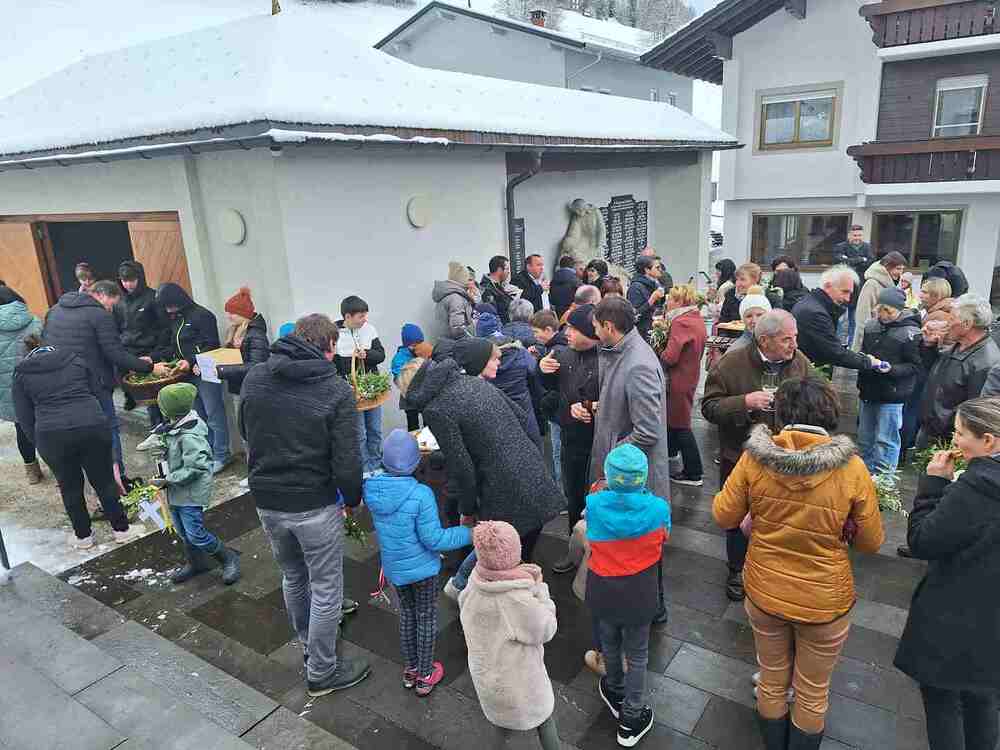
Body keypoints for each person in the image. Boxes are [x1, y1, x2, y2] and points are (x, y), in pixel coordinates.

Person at [713, 377, 885, 750]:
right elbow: (871, 542)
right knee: (812, 691)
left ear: (781, 413)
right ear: (830, 413)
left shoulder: (754, 459)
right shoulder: (853, 468)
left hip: (765, 591)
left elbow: (723, 515)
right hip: (825, 601)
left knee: (772, 680)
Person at [239, 314, 370, 697]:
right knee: (327, 587)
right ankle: (322, 671)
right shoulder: (335, 390)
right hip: (313, 503)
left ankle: (309, 646)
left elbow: (245, 430)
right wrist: (353, 500)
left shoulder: (255, 376)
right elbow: (347, 459)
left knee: (294, 576)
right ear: (327, 347)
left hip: (267, 498)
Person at [399, 351, 563, 597]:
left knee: (499, 548)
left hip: (502, 486)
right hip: (530, 469)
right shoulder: (474, 381)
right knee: (521, 545)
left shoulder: (436, 409)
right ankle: (521, 593)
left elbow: (462, 467)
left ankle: (483, 594)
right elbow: (520, 416)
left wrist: (467, 509)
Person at [894, 397, 1000, 750]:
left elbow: (923, 541)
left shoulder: (979, 485)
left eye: (961, 433)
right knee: (983, 698)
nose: (955, 441)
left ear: (989, 441)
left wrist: (934, 485)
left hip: (957, 616)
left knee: (942, 700)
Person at [701, 310, 814, 601]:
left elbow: (819, 395)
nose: (794, 344)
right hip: (740, 456)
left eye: (795, 337)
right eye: (787, 339)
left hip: (784, 458)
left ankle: (769, 567)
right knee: (737, 516)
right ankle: (736, 570)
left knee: (778, 517)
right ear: (764, 340)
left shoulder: (799, 361)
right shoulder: (731, 363)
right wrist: (744, 402)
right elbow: (709, 408)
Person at [364, 429, 472, 696]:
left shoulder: (372, 489)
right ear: (415, 463)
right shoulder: (421, 494)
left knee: (407, 615)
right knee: (425, 618)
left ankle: (411, 669)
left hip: (395, 569)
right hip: (423, 571)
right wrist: (469, 532)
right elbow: (434, 539)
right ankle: (425, 675)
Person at [13, 336, 142, 548]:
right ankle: (121, 530)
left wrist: (39, 443)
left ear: (28, 354)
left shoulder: (21, 374)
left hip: (52, 434)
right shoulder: (76, 360)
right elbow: (99, 393)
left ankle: (83, 537)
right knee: (104, 481)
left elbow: (24, 417)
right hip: (91, 425)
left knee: (69, 486)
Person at [590, 295, 670, 623]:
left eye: (596, 328)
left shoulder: (638, 363)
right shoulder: (624, 351)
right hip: (625, 471)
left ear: (610, 326)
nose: (595, 333)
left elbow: (647, 431)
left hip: (633, 476)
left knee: (643, 544)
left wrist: (615, 459)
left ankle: (654, 608)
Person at [587, 444, 671, 748]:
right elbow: (664, 537)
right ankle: (631, 717)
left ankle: (614, 689)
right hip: (639, 595)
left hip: (603, 591)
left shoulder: (594, 503)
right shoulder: (658, 509)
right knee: (637, 655)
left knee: (609, 643)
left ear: (609, 476)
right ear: (643, 478)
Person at [44, 279, 168, 478]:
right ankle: (118, 479)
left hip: (60, 383)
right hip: (93, 384)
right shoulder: (99, 315)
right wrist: (150, 367)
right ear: (101, 295)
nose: (111, 310)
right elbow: (115, 353)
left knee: (80, 432)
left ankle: (95, 477)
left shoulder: (55, 310)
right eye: (111, 305)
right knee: (108, 429)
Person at [459, 521, 561, 750]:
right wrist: (540, 591)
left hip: (489, 682)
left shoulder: (474, 584)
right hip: (522, 686)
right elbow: (547, 628)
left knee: (501, 725)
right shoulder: (517, 600)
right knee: (544, 719)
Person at [149, 383, 241, 585]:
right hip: (176, 491)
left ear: (169, 409)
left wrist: (168, 479)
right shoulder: (174, 427)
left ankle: (228, 558)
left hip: (190, 492)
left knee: (195, 533)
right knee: (183, 532)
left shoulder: (190, 436)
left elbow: (196, 467)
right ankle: (196, 563)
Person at [539, 304, 600, 574]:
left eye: (574, 329)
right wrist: (542, 369)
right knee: (574, 497)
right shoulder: (562, 354)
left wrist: (590, 407)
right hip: (571, 439)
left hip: (601, 443)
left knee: (597, 499)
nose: (567, 333)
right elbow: (550, 393)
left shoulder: (608, 359)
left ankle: (599, 554)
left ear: (591, 332)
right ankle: (574, 551)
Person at [154, 283, 231, 474]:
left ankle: (221, 454)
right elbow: (174, 346)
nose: (168, 310)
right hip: (186, 373)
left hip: (205, 370)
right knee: (198, 417)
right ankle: (207, 453)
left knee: (214, 413)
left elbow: (211, 344)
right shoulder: (176, 319)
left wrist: (190, 360)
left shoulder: (203, 315)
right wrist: (157, 358)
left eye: (170, 305)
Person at [920, 294, 1000, 447]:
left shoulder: (985, 362)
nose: (947, 323)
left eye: (952, 319)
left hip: (949, 441)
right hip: (930, 431)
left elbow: (976, 411)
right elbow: (934, 374)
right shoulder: (958, 345)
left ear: (967, 324)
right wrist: (929, 346)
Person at [856, 288, 922, 473]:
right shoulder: (871, 326)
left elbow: (915, 366)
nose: (883, 315)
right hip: (868, 390)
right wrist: (864, 360)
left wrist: (891, 369)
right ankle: (863, 475)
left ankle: (885, 480)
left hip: (893, 393)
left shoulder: (911, 333)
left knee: (886, 440)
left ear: (900, 310)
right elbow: (863, 351)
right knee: (864, 438)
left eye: (889, 311)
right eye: (880, 310)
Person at [656, 284, 707, 486]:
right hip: (689, 376)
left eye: (670, 298)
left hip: (678, 380)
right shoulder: (696, 318)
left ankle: (694, 473)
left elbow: (671, 356)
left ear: (679, 301)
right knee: (674, 419)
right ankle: (671, 452)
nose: (667, 302)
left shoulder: (681, 322)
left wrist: (657, 352)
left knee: (681, 424)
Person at [792, 266, 882, 374]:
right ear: (827, 286)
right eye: (844, 292)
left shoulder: (811, 304)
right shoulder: (816, 313)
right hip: (808, 373)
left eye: (850, 294)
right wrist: (868, 362)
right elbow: (834, 353)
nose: (847, 299)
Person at [334, 295, 386, 475]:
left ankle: (376, 466)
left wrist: (367, 354)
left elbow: (381, 355)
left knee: (375, 430)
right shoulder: (335, 335)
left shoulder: (369, 329)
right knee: (360, 434)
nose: (365, 319)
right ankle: (364, 469)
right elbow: (334, 366)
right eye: (361, 316)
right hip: (352, 393)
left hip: (372, 390)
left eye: (365, 315)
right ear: (347, 316)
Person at [474, 313, 543, 441]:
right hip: (523, 409)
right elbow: (534, 373)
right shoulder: (519, 351)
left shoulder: (477, 358)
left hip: (495, 414)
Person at [0, 284, 43, 483]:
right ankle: (59, 466)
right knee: (47, 425)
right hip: (39, 385)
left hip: (10, 389)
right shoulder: (35, 321)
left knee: (21, 427)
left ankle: (32, 471)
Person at [115, 260, 161, 414]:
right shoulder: (119, 302)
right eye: (124, 281)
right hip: (127, 349)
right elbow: (116, 325)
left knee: (152, 394)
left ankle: (157, 417)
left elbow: (163, 327)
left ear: (139, 278)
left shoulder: (153, 297)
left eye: (131, 280)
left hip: (148, 350)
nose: (128, 284)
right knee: (126, 380)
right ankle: (129, 397)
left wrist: (156, 352)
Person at [217, 286, 270, 396]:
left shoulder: (256, 334)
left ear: (243, 314)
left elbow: (257, 365)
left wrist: (221, 370)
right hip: (239, 388)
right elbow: (232, 359)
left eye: (232, 313)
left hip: (252, 390)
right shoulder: (234, 331)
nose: (229, 317)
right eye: (228, 313)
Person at [851, 251, 907, 351]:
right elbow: (862, 316)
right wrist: (865, 339)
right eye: (898, 268)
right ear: (887, 266)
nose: (900, 273)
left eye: (902, 269)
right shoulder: (872, 284)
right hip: (870, 338)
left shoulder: (894, 283)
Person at [833, 225, 872, 345]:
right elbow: (840, 261)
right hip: (842, 289)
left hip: (858, 290)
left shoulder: (867, 247)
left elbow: (870, 262)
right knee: (839, 320)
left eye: (859, 235)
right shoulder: (840, 247)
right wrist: (861, 259)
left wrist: (850, 260)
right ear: (849, 235)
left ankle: (851, 345)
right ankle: (837, 344)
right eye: (855, 235)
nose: (857, 238)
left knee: (854, 321)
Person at [390, 324, 433, 432]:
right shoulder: (399, 358)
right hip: (409, 399)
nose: (417, 347)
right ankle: (413, 441)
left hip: (426, 396)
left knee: (429, 425)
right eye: (414, 345)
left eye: (420, 343)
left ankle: (429, 440)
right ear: (406, 345)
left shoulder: (425, 350)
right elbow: (400, 377)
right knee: (413, 427)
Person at [433, 261, 477, 340]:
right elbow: (458, 330)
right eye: (467, 279)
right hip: (455, 344)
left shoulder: (448, 295)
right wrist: (474, 340)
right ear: (462, 279)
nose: (469, 282)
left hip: (445, 342)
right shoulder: (456, 299)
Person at [627, 255, 666, 342]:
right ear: (647, 270)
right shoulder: (635, 287)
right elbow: (634, 315)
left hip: (653, 329)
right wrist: (652, 299)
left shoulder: (655, 283)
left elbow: (658, 307)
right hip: (641, 335)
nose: (661, 270)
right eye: (657, 267)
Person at [724, 286, 771, 357]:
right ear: (743, 319)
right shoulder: (736, 351)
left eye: (759, 315)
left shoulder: (778, 345)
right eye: (749, 316)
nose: (754, 320)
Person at [479, 255, 517, 325]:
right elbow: (492, 314)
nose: (509, 272)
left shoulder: (498, 286)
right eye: (507, 269)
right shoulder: (487, 289)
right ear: (499, 270)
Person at [550, 255, 581, 320]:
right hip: (570, 311)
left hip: (557, 310)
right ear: (573, 266)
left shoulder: (554, 278)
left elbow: (551, 296)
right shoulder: (575, 279)